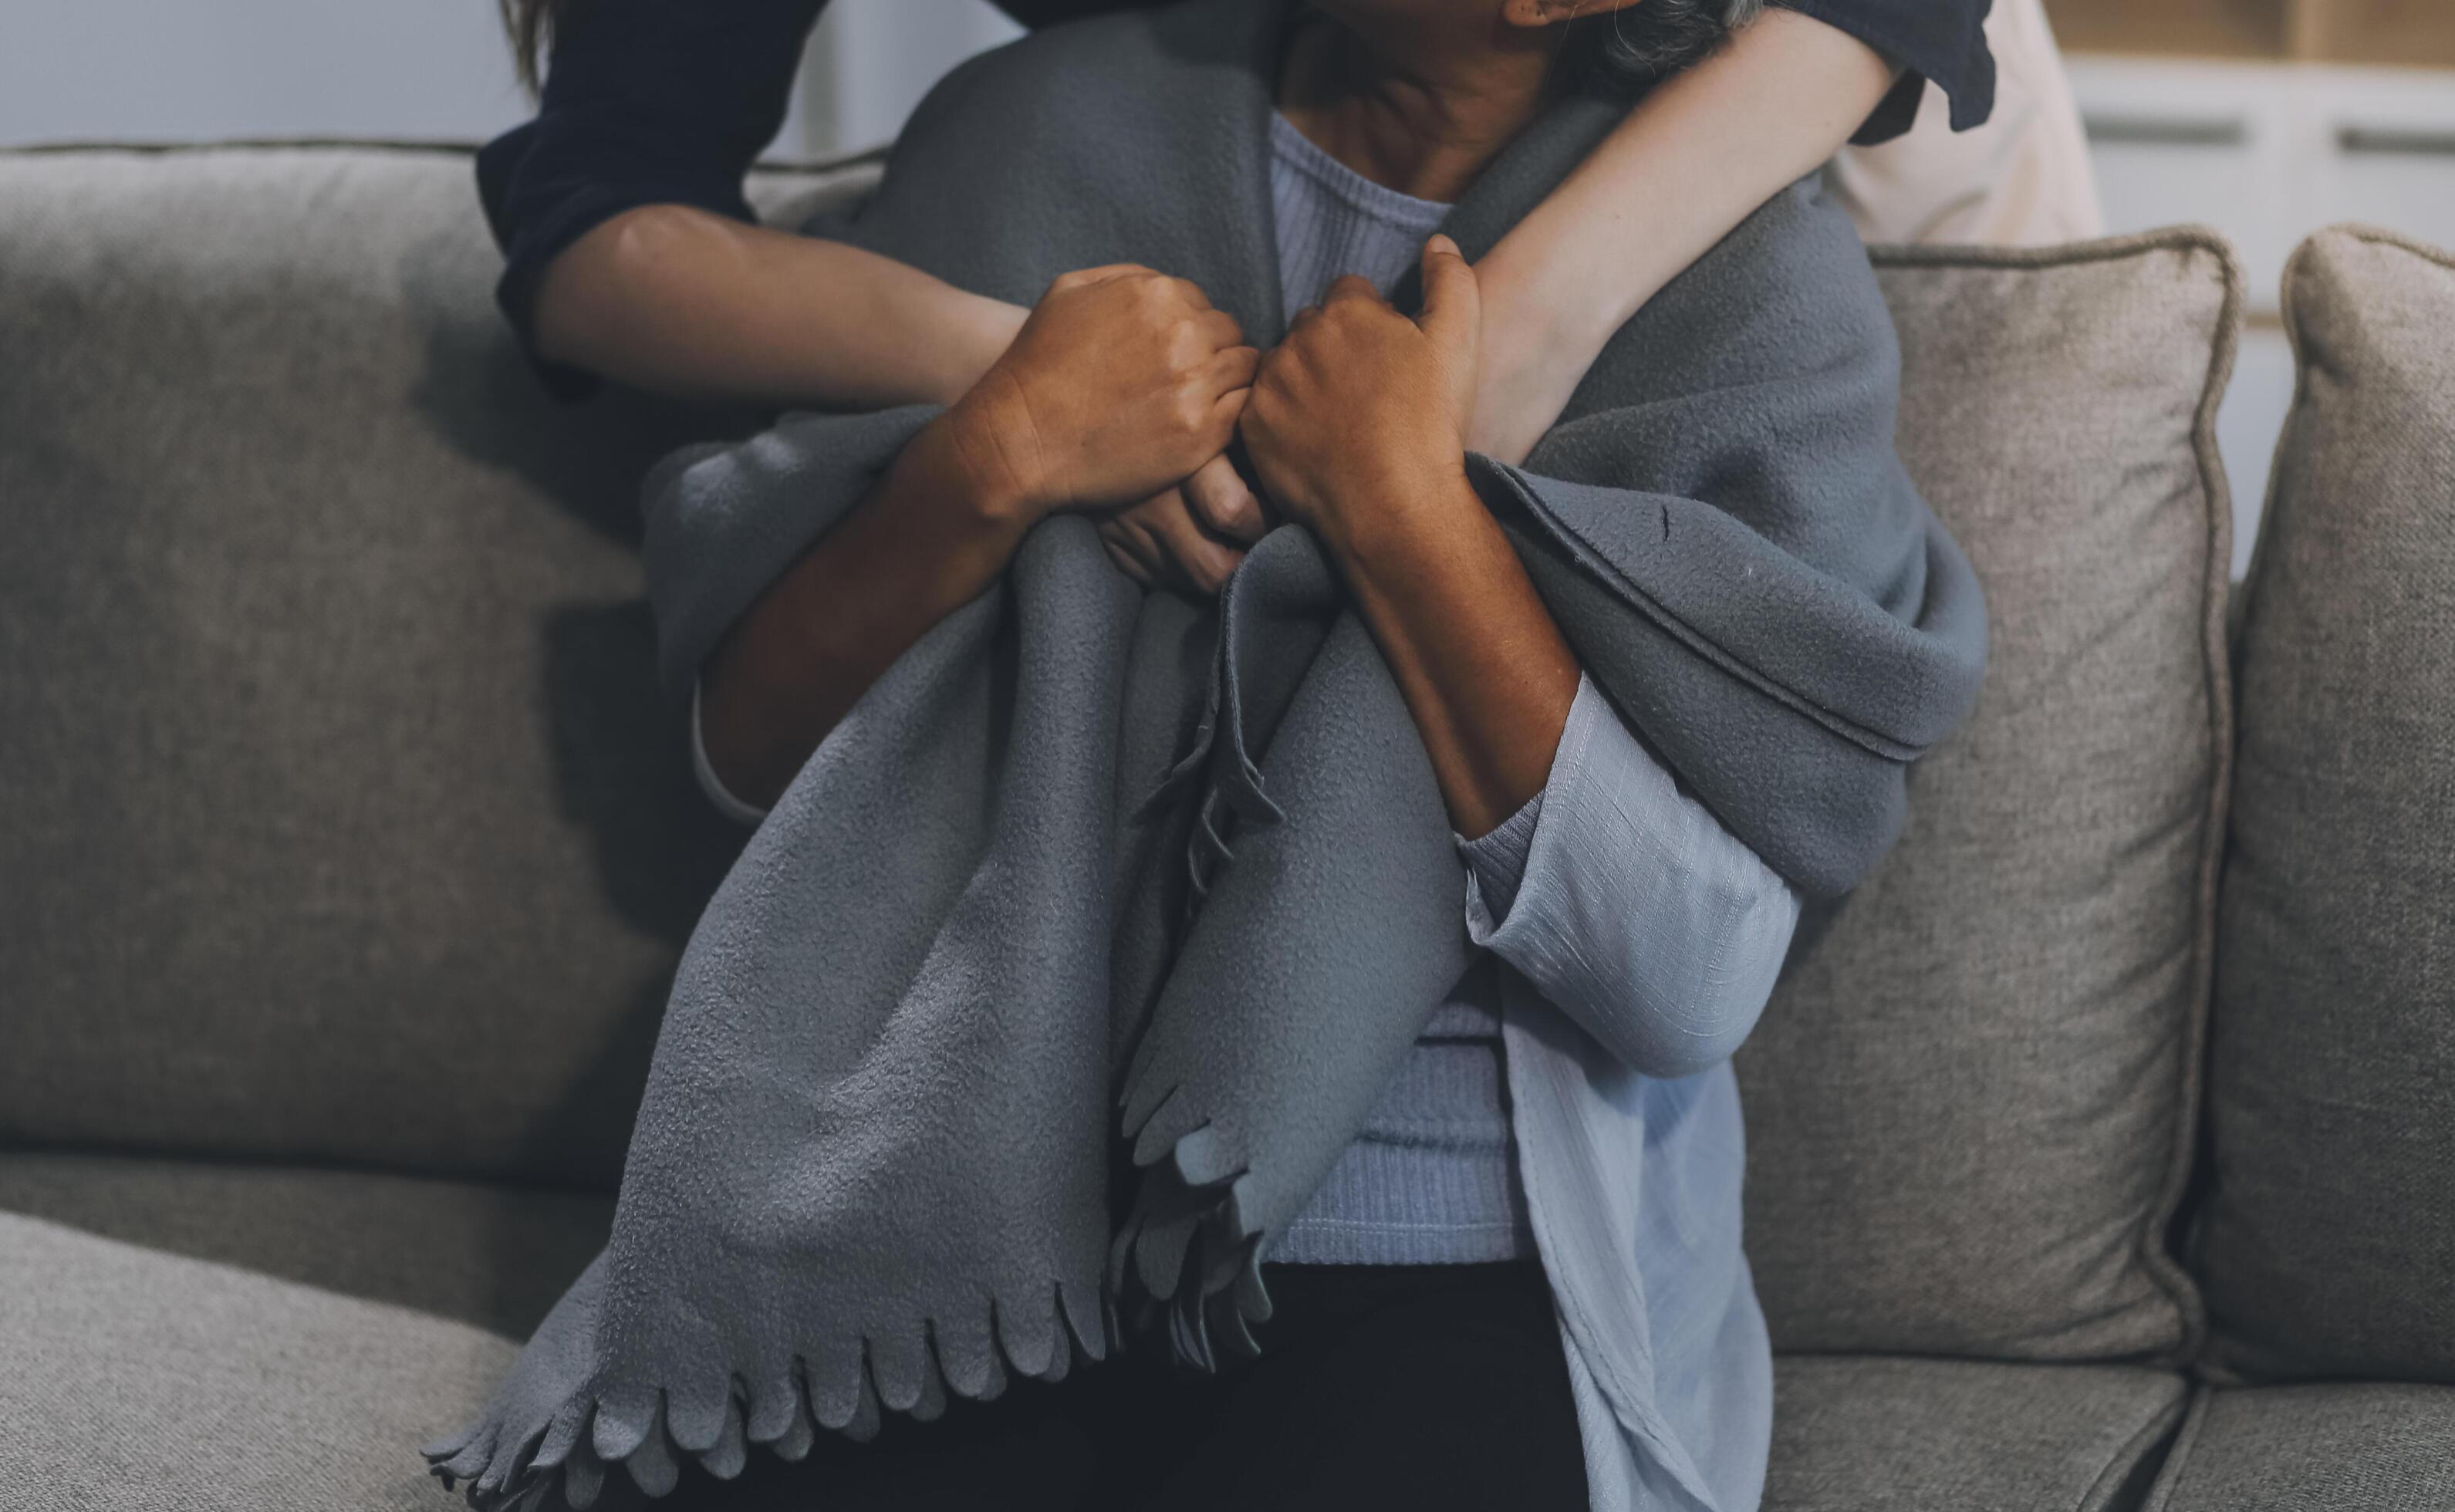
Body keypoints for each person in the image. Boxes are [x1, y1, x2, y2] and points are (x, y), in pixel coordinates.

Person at [435, 3, 1991, 1510]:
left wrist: (1407, 515)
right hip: (971, 1242)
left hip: (1453, 1279)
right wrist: (992, 453)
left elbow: (1688, 977)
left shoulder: (1751, 295)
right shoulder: (1036, 134)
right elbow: (748, 754)